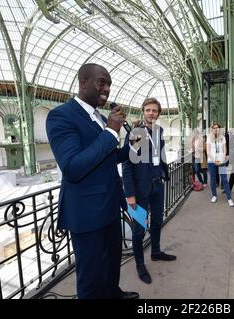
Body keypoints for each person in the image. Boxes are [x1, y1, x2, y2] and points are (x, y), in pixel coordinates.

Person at [45, 63, 139, 299]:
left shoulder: (100, 117)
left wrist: (129, 144)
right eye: (101, 82)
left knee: (111, 264)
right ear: (83, 82)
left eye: (108, 83)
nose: (106, 88)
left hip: (109, 206)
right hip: (86, 213)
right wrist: (110, 132)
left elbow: (107, 157)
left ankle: (113, 293)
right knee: (90, 277)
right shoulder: (61, 116)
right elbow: (73, 168)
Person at [123, 97, 175, 285]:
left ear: (158, 113)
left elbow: (159, 154)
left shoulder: (159, 131)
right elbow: (127, 165)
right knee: (138, 230)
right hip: (139, 189)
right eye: (148, 110)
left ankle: (155, 252)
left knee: (157, 221)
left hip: (157, 184)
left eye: (154, 110)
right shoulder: (136, 133)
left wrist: (162, 172)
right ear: (143, 112)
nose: (151, 113)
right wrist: (129, 194)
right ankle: (139, 264)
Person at [207, 122, 234, 207]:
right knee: (213, 179)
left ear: (219, 129)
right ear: (212, 129)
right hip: (211, 161)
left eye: (217, 128)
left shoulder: (222, 138)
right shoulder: (209, 138)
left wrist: (221, 160)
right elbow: (208, 151)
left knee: (225, 179)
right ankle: (214, 195)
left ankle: (229, 198)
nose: (216, 129)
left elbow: (224, 150)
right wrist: (214, 160)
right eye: (214, 128)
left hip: (221, 161)